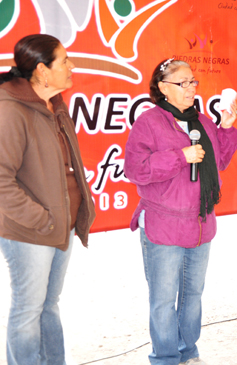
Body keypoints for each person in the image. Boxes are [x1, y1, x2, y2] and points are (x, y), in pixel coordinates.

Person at [124, 58, 237, 365]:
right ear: (163, 88)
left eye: (193, 82)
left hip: (200, 222)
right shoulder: (148, 122)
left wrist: (225, 129)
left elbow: (220, 162)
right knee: (163, 301)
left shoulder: (201, 120)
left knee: (192, 298)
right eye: (182, 83)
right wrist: (180, 156)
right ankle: (164, 358)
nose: (191, 88)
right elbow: (135, 170)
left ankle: (188, 352)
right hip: (163, 225)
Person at [0, 34, 96, 364]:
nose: (72, 66)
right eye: (64, 60)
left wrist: (68, 215)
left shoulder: (55, 103)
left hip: (60, 225)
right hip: (31, 230)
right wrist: (43, 219)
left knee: (48, 303)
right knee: (29, 309)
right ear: (42, 70)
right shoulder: (9, 110)